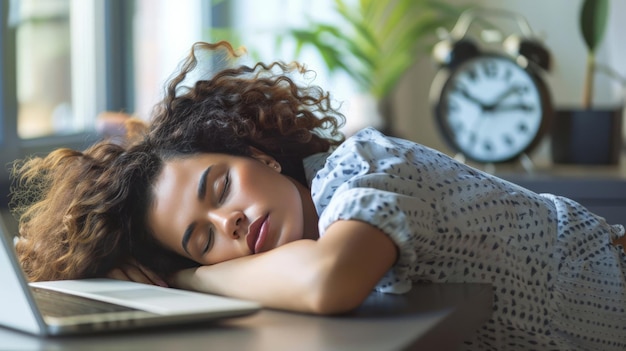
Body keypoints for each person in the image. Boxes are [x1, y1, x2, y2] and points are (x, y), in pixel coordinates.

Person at [9, 41, 626, 351]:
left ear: (259, 156)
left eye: (218, 187)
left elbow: (330, 282)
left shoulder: (363, 163)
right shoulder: (302, 243)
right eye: (201, 240)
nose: (228, 222)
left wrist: (191, 281)